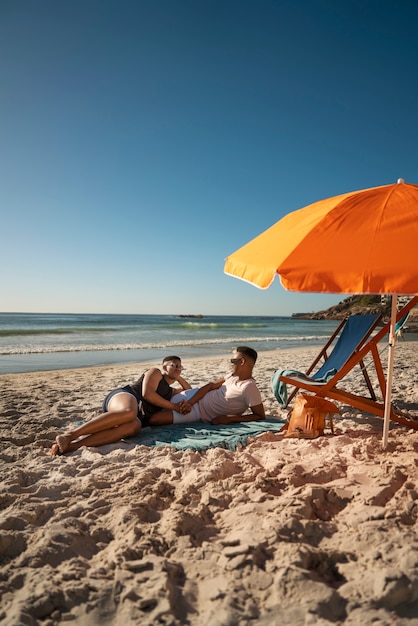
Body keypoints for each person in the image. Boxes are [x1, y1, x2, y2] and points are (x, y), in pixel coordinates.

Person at [50, 355, 202, 456]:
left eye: (181, 367)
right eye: (174, 365)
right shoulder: (155, 373)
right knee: (130, 411)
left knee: (134, 426)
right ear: (163, 367)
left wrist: (178, 375)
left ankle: (73, 446)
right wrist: (174, 407)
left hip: (135, 416)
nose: (178, 368)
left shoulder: (170, 392)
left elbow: (190, 391)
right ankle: (71, 435)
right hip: (125, 397)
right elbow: (147, 394)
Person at [148, 346, 265, 426]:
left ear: (242, 362)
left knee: (154, 419)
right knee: (155, 404)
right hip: (194, 397)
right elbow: (210, 386)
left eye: (232, 360)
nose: (230, 364)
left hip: (199, 412)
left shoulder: (249, 387)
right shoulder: (231, 376)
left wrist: (230, 419)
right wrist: (190, 403)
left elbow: (259, 415)